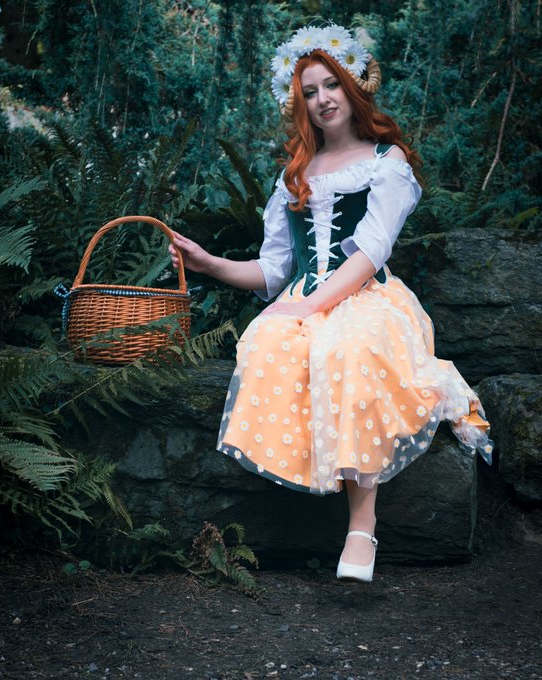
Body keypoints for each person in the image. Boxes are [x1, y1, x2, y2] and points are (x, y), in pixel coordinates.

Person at [170, 23, 493, 583]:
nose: (322, 99)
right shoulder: (293, 176)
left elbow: (369, 252)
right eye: (309, 92)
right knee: (267, 343)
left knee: (350, 348)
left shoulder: (386, 162)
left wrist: (307, 307)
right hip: (302, 297)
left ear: (353, 85)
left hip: (368, 297)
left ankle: (362, 525)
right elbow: (273, 270)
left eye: (331, 84)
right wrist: (210, 263)